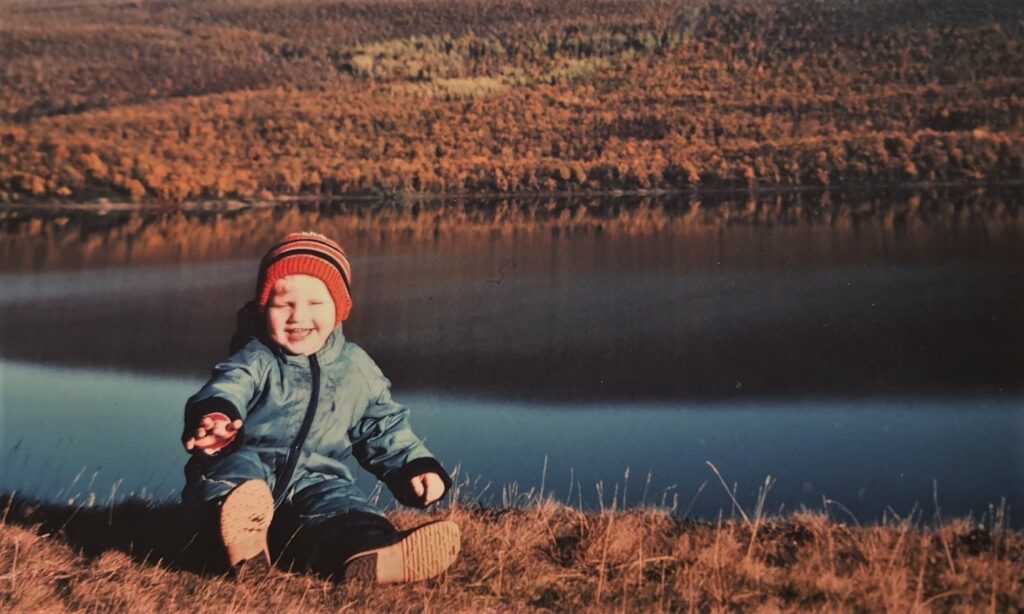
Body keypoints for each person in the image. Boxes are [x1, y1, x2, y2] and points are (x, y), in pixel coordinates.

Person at [180, 231, 459, 583]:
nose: (299, 317)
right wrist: (217, 418)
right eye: (284, 305)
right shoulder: (256, 358)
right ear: (264, 308)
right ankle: (239, 547)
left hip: (314, 479)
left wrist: (414, 468)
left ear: (339, 309)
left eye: (315, 304)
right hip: (248, 473)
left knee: (342, 505)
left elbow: (381, 426)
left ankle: (371, 551)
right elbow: (228, 385)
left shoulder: (355, 366)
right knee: (235, 478)